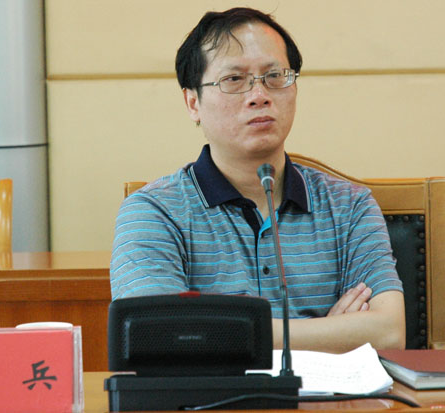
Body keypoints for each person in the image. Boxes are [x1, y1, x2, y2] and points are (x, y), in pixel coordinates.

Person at [111, 7, 405, 353]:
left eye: (275, 76)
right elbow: (158, 337)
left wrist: (218, 330)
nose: (259, 95)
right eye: (234, 80)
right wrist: (330, 333)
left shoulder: (350, 205)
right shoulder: (154, 212)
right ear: (193, 102)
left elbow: (389, 332)